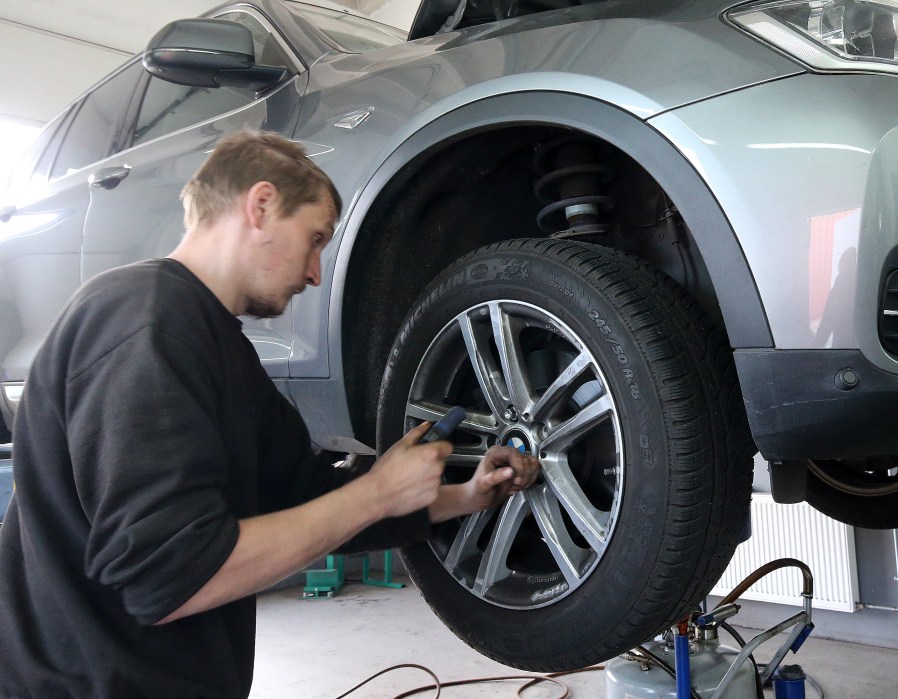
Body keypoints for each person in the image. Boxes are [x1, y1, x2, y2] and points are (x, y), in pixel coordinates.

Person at [0, 130, 540, 699]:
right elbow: (168, 579)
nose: (315, 273)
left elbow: (309, 504)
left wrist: (466, 495)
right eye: (314, 239)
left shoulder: (219, 348)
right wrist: (378, 491)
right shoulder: (143, 324)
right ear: (259, 206)